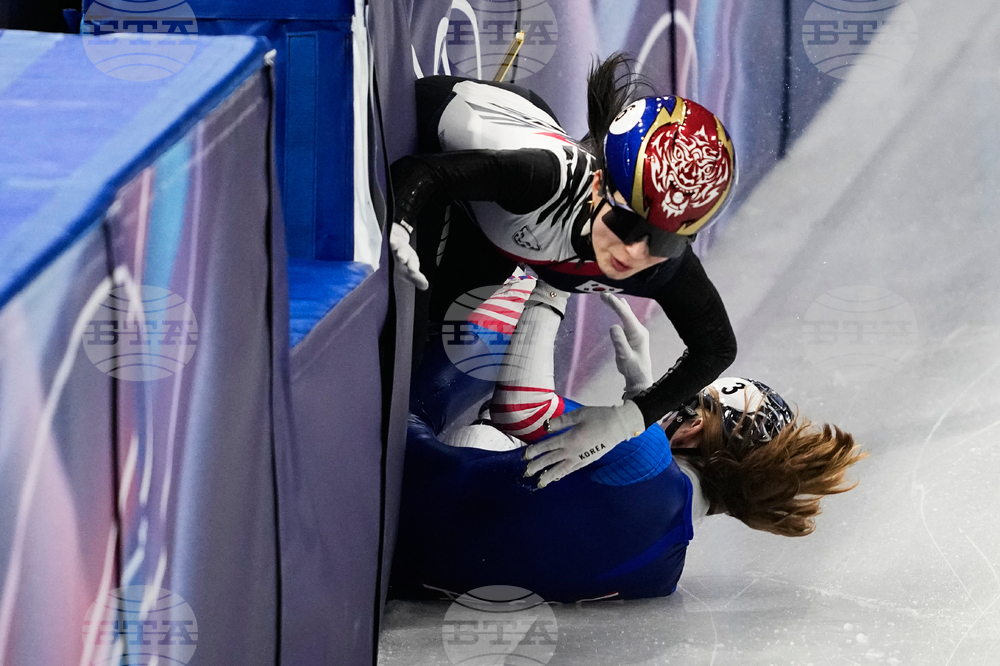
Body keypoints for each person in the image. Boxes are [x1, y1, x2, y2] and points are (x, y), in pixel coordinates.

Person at [389, 278, 866, 603]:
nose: (673, 402)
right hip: (413, 576)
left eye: (690, 398)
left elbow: (518, 407)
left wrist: (553, 281)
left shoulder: (644, 454)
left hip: (398, 485)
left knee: (512, 310)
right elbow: (599, 509)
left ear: (695, 428)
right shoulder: (664, 576)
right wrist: (639, 398)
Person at [390, 54, 739, 486]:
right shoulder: (543, 180)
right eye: (626, 223)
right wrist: (400, 226)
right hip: (439, 143)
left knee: (429, 338)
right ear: (597, 185)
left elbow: (717, 348)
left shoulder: (663, 267)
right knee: (404, 337)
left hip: (501, 228)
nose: (634, 252)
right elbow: (420, 172)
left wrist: (626, 420)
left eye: (664, 240)